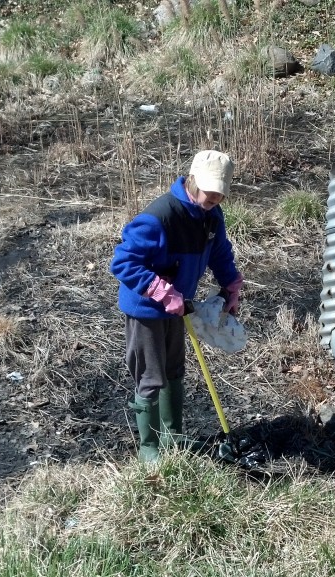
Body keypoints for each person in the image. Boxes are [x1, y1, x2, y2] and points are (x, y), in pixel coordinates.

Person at [110, 149, 244, 462]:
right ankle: (149, 447)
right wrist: (161, 291)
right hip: (146, 309)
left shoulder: (210, 216)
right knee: (150, 374)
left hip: (178, 306)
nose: (213, 201)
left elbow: (219, 252)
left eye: (219, 197)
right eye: (209, 194)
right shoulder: (160, 217)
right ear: (192, 179)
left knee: (173, 370)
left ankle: (172, 437)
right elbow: (123, 262)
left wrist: (231, 285)